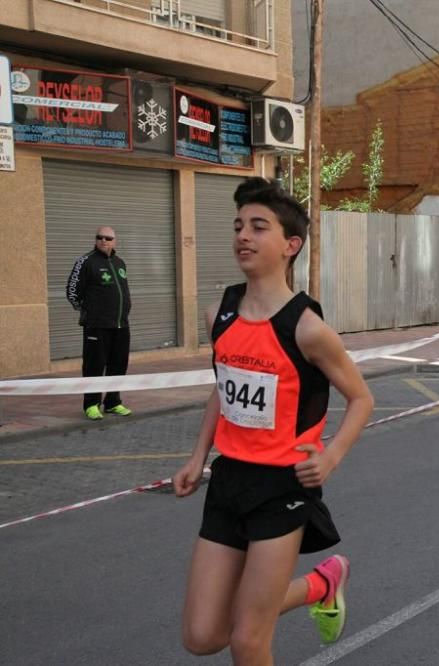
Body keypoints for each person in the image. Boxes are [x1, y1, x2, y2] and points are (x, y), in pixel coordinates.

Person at [172, 178, 374, 663]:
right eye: (239, 225)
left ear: (290, 245)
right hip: (228, 481)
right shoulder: (219, 313)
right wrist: (197, 457)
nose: (243, 235)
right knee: (201, 636)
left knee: (248, 639)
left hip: (282, 487)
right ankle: (321, 583)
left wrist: (330, 457)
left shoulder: (307, 327)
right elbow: (223, 389)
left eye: (258, 227)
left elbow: (361, 397)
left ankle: (307, 587)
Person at [66, 226, 133, 420]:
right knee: (94, 366)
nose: (104, 241)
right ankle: (91, 404)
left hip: (121, 325)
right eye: (100, 237)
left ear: (115, 241)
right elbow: (72, 291)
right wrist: (89, 311)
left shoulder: (120, 263)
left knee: (118, 366)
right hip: (97, 325)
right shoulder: (86, 262)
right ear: (95, 240)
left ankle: (113, 402)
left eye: (108, 238)